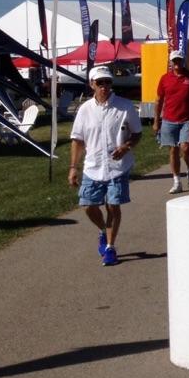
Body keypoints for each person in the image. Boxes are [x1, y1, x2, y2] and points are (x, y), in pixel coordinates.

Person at [69, 65, 142, 266]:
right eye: (100, 82)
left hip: (117, 166)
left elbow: (137, 134)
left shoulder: (125, 106)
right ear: (92, 84)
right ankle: (103, 230)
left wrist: (126, 147)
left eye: (107, 82)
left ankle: (110, 248)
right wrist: (73, 168)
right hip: (93, 166)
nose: (104, 86)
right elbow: (77, 140)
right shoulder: (84, 110)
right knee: (87, 205)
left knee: (112, 205)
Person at [154, 49, 189, 194]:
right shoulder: (165, 79)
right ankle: (177, 181)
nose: (177, 63)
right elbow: (159, 100)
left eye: (179, 60)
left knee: (185, 147)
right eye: (174, 61)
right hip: (169, 120)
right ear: (171, 62)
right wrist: (156, 121)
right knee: (173, 150)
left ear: (183, 61)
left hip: (187, 119)